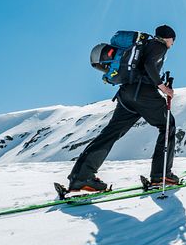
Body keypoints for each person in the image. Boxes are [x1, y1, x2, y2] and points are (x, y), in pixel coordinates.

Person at [67, 25, 179, 192]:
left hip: (127, 94)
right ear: (169, 38)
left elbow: (144, 66)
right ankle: (160, 174)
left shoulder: (144, 45)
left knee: (110, 134)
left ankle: (81, 177)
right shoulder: (159, 45)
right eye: (173, 42)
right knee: (168, 125)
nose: (172, 45)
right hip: (144, 94)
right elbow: (149, 65)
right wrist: (164, 88)